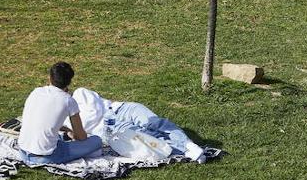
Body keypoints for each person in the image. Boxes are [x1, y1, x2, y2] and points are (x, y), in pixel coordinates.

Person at [72, 87, 207, 163]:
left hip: (121, 109)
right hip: (109, 129)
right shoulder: (63, 120)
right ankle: (187, 150)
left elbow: (93, 112)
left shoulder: (79, 93)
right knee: (148, 138)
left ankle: (188, 145)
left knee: (155, 122)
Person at [17, 62, 103, 166]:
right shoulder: (68, 101)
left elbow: (44, 120)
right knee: (96, 141)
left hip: (22, 151)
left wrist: (66, 130)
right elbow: (81, 136)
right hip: (46, 156)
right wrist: (72, 133)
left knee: (56, 137)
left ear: (50, 78)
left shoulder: (36, 91)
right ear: (69, 81)